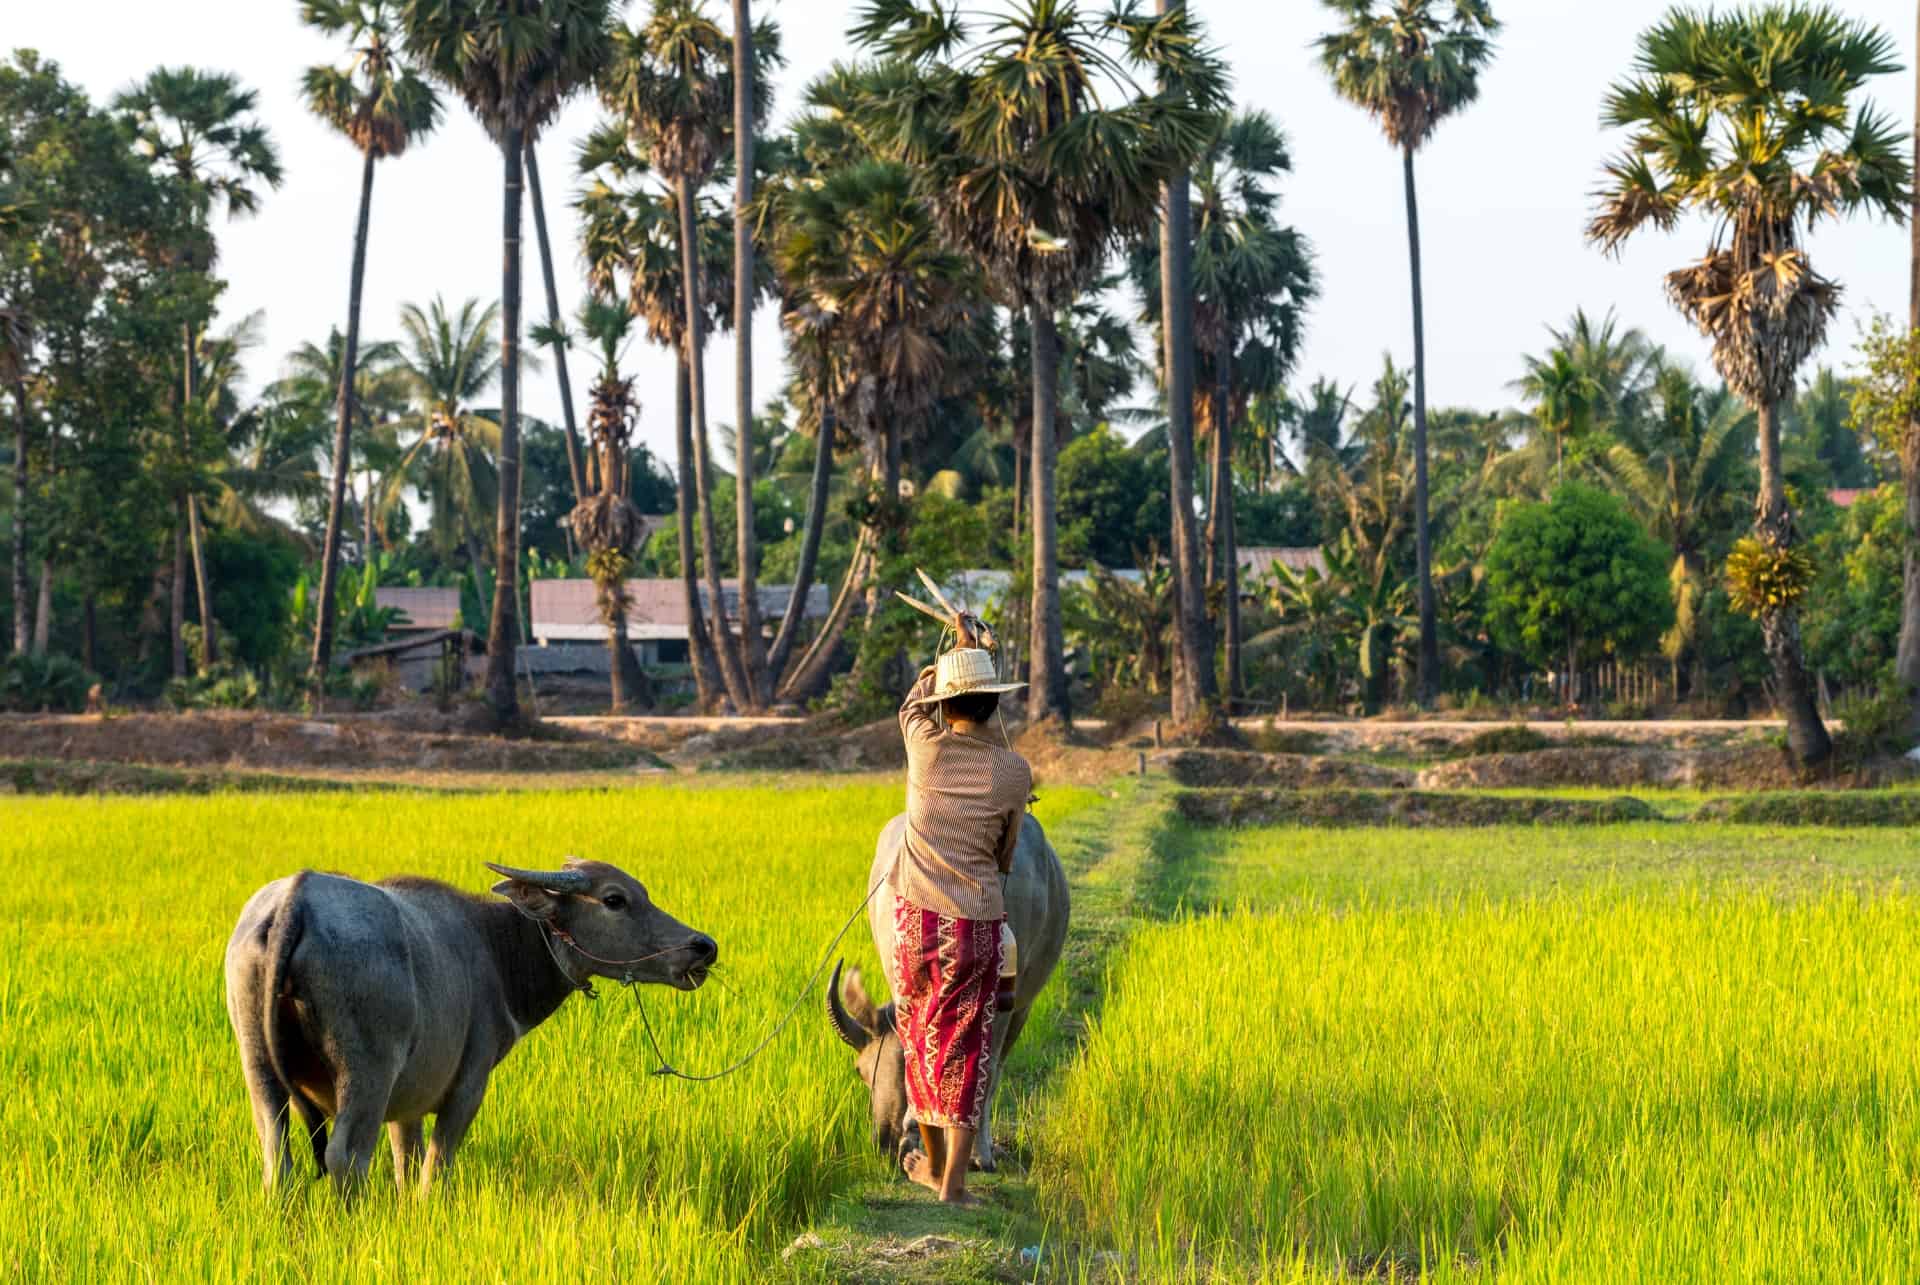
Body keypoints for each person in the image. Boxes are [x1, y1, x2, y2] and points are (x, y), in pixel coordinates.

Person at [889, 612, 1031, 1205]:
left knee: (920, 1035)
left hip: (914, 921)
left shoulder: (924, 749)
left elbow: (910, 706)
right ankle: (953, 1185)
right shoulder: (1013, 773)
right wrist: (972, 651)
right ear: (996, 706)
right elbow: (1005, 852)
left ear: (948, 706)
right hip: (973, 924)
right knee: (968, 1044)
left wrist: (952, 652)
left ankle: (934, 1164)